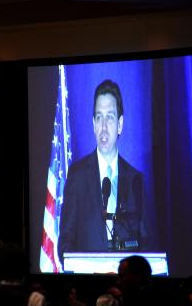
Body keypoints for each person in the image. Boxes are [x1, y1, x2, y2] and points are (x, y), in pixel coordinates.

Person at [59, 79, 150, 262]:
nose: (104, 127)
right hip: (88, 282)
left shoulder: (135, 179)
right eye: (99, 117)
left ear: (120, 124)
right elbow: (65, 242)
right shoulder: (77, 175)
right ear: (93, 124)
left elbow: (145, 240)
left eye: (110, 117)